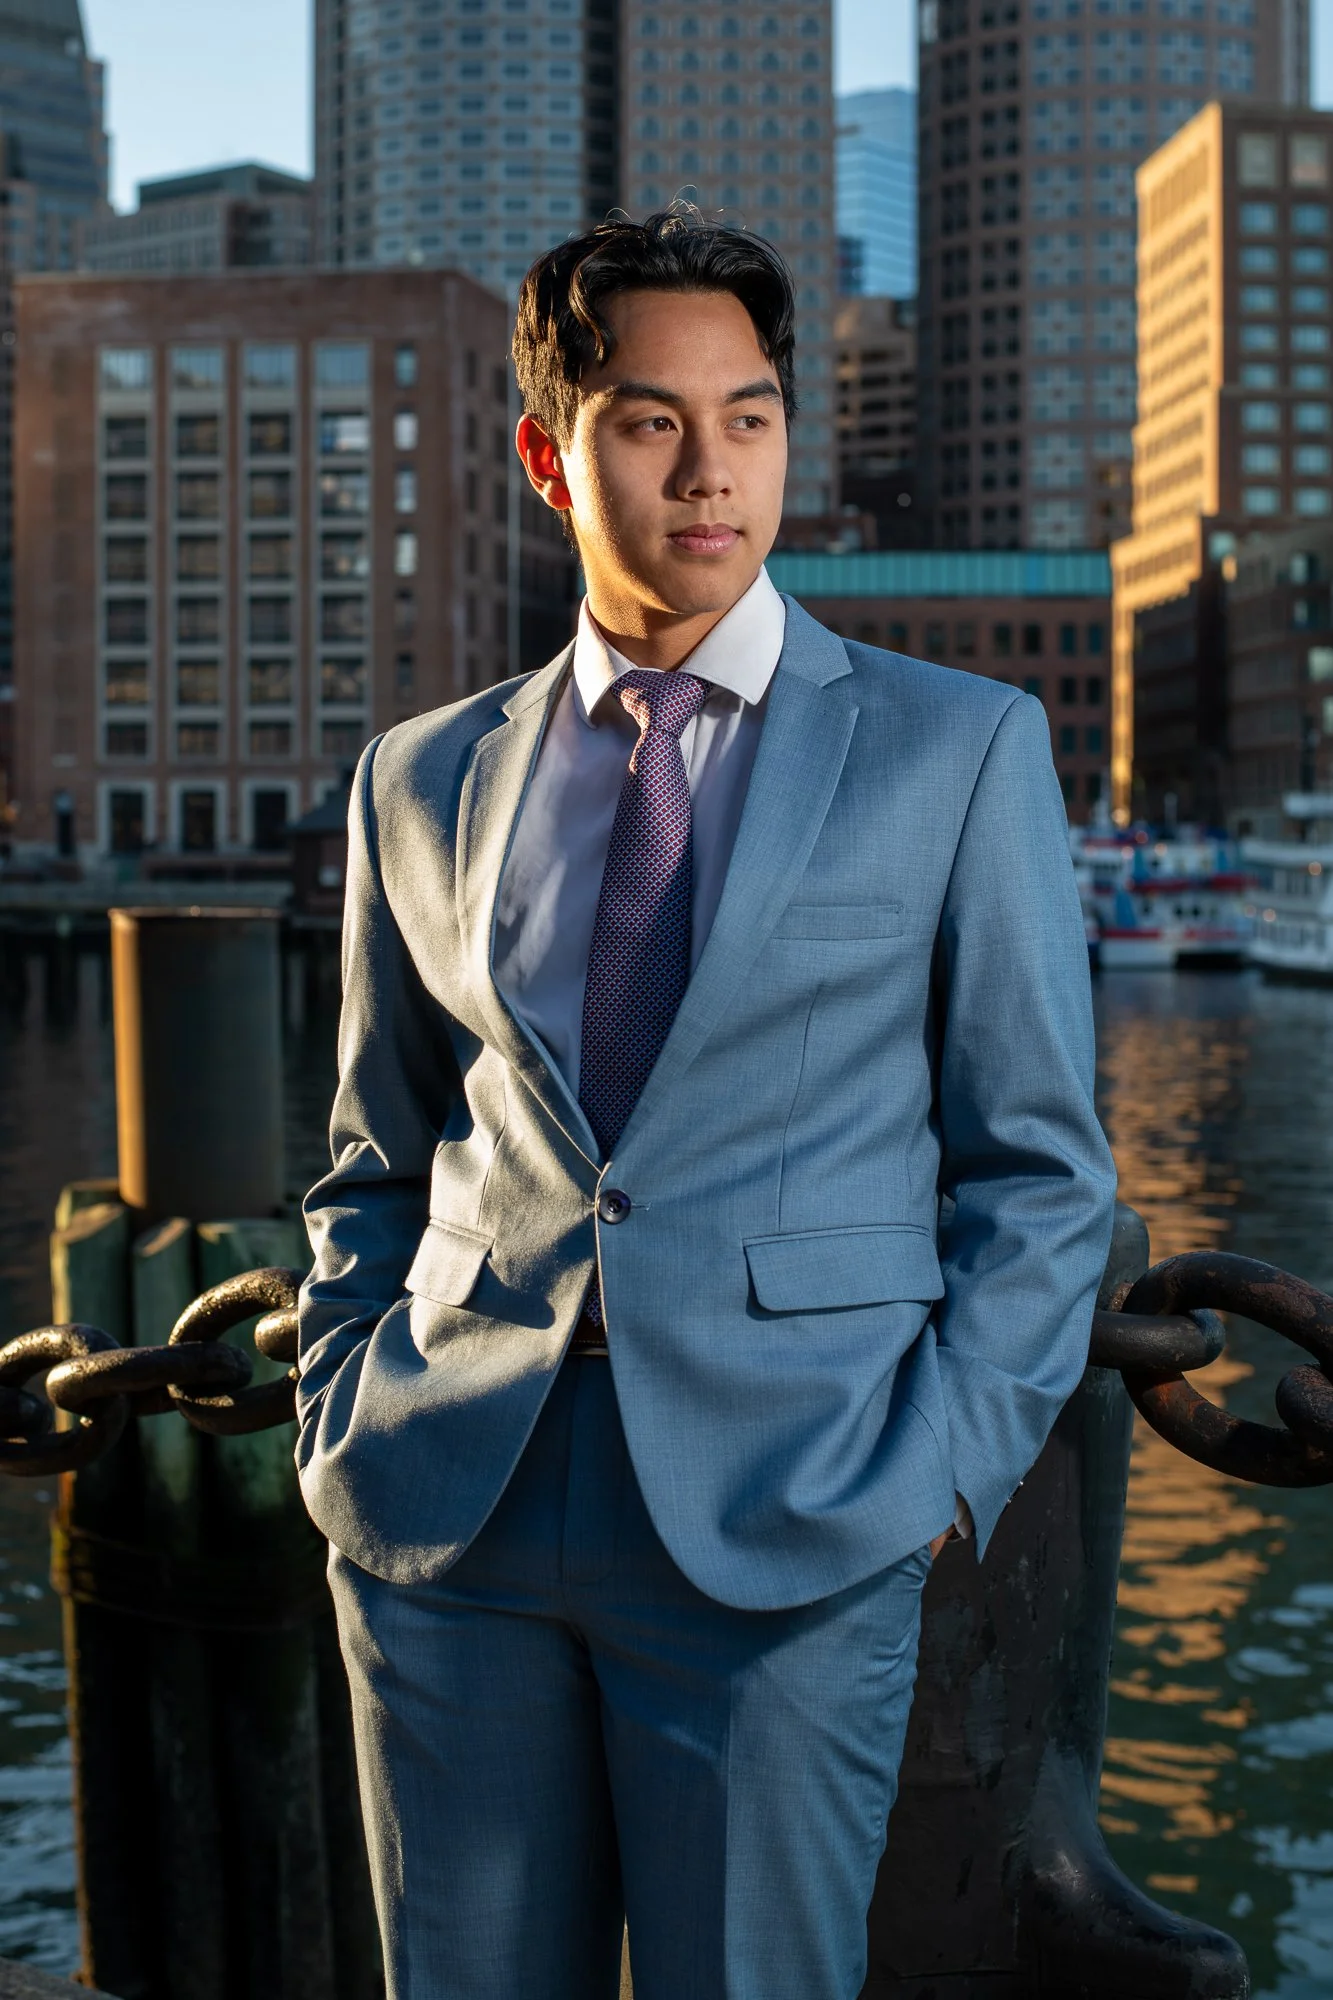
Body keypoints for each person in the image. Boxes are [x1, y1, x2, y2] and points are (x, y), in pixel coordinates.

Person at [296, 207, 1118, 2000]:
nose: (710, 470)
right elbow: (377, 1148)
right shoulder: (418, 780)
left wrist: (938, 1473)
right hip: (454, 1508)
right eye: (652, 421)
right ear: (548, 452)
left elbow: (1041, 1170)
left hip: (791, 1520)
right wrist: (343, 1397)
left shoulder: (955, 748)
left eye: (748, 416)